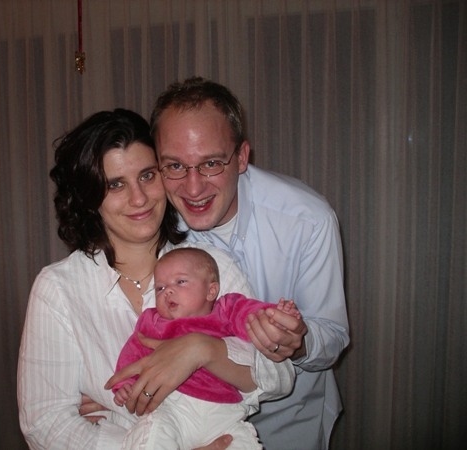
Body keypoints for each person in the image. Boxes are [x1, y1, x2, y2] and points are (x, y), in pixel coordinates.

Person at [17, 108, 294, 450]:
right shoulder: (59, 289)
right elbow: (45, 423)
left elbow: (279, 378)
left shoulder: (211, 265)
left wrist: (204, 350)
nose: (139, 198)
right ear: (89, 198)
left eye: (147, 176)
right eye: (115, 184)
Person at [140, 77, 350, 450]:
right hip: (186, 422)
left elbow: (332, 336)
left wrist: (298, 342)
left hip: (290, 423)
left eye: (211, 163)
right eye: (175, 165)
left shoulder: (307, 220)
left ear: (241, 157)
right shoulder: (150, 222)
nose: (193, 188)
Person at [112, 247, 299, 450]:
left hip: (224, 412)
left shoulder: (225, 310)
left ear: (211, 291)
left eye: (180, 282)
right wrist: (126, 385)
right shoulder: (153, 322)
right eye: (160, 288)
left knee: (242, 442)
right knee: (152, 436)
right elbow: (133, 354)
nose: (168, 291)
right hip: (173, 408)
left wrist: (273, 319)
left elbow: (250, 316)